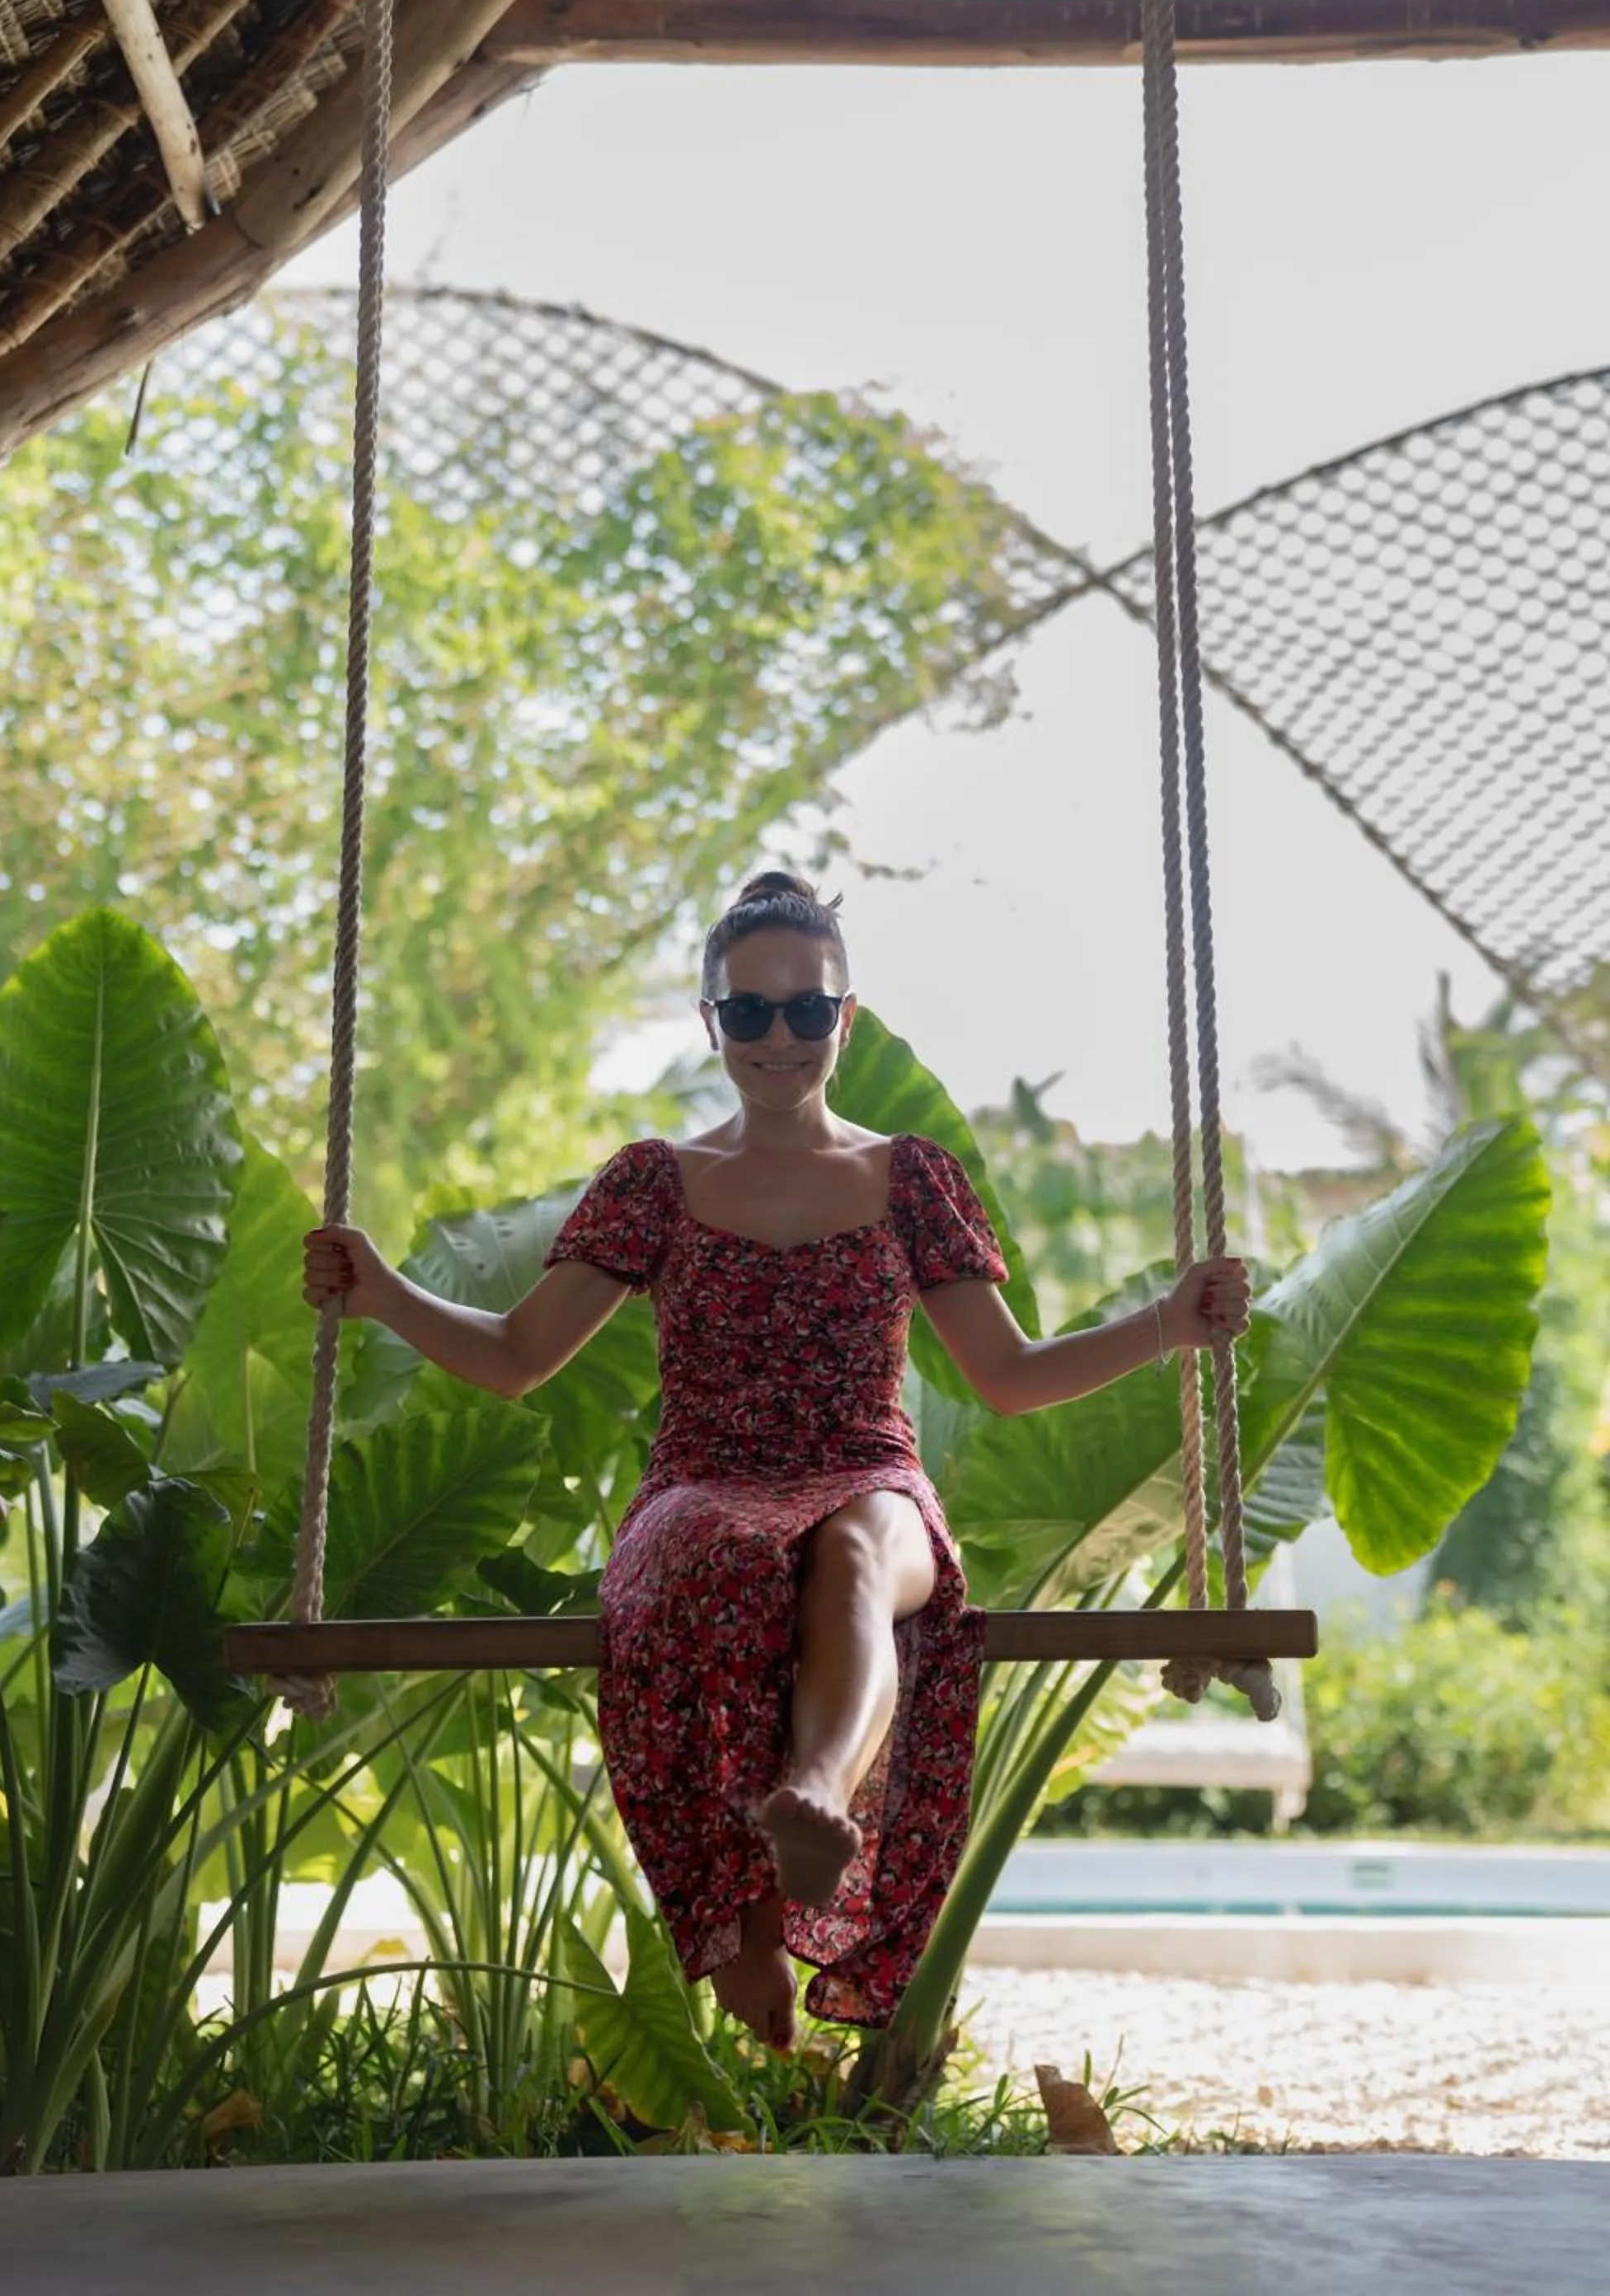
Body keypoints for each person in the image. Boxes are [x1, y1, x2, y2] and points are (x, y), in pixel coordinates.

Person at [303, 870, 1249, 2054]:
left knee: (856, 1550)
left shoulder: (912, 1178)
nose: (778, 1038)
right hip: (707, 1477)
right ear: (713, 1026)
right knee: (724, 1556)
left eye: (806, 1010)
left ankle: (812, 1794)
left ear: (843, 1019)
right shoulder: (656, 1182)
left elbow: (1004, 1377)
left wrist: (1171, 1323)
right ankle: (750, 1919)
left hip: (868, 1468)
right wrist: (383, 1290)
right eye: (749, 1012)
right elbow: (517, 1357)